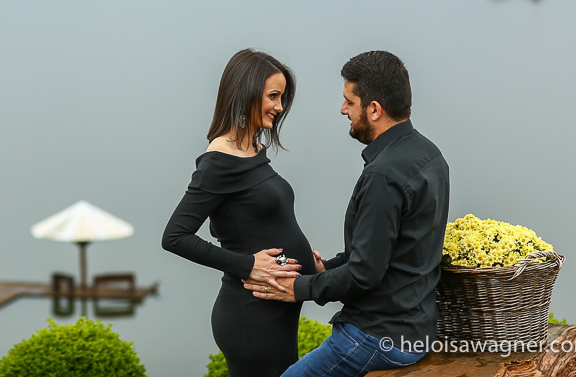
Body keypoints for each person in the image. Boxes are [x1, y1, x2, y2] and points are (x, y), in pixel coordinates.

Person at [244, 50, 451, 377]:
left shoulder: (383, 175)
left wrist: (298, 289)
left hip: (377, 337)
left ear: (374, 109)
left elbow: (365, 273)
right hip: (417, 330)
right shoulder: (430, 154)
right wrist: (328, 267)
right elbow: (388, 252)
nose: (343, 109)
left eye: (349, 102)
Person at [162, 48, 320, 377]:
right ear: (246, 92)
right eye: (273, 96)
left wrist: (306, 261)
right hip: (251, 316)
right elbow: (175, 237)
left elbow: (255, 226)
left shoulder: (253, 150)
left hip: (275, 311)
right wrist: (248, 265)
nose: (280, 106)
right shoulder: (219, 161)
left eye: (282, 97)